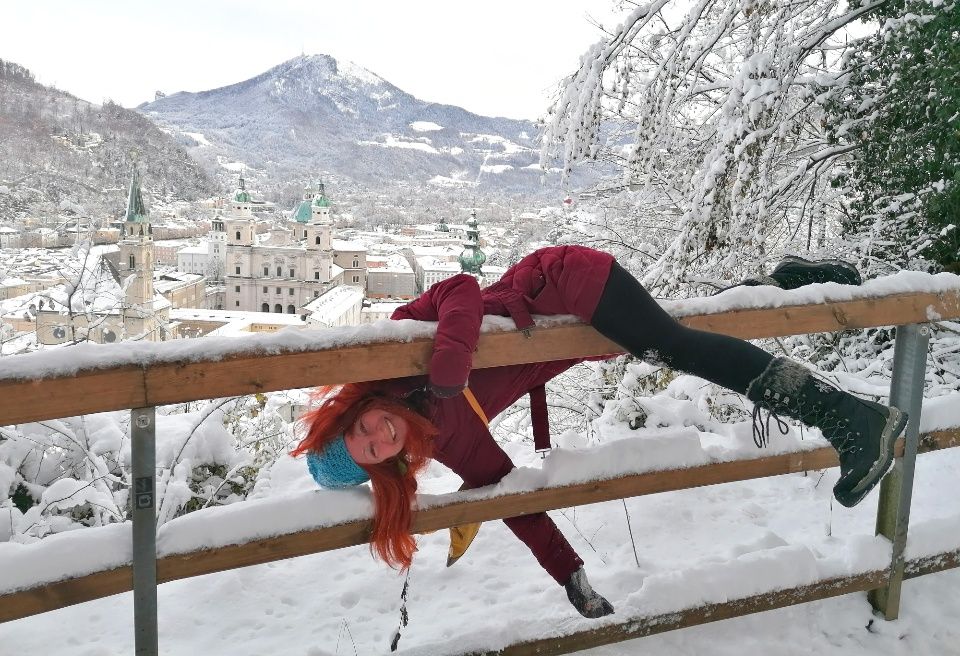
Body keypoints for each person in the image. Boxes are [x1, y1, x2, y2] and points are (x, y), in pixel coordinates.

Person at [292, 246, 906, 619]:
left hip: (558, 285)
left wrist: (447, 368)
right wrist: (569, 575)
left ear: (353, 410)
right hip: (567, 336)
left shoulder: (395, 350)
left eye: (361, 426)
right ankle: (791, 284)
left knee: (675, 344)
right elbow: (513, 503)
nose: (378, 432)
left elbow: (460, 290)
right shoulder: (455, 446)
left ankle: (851, 419)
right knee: (682, 333)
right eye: (372, 449)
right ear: (389, 468)